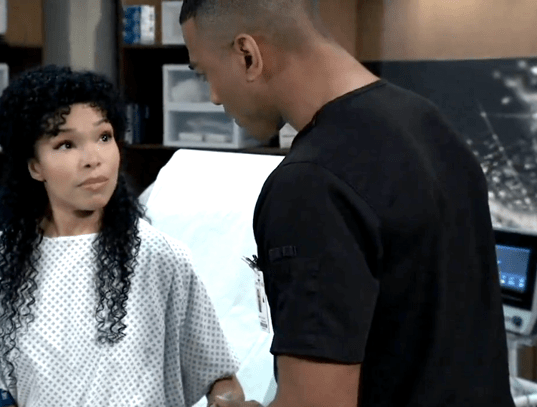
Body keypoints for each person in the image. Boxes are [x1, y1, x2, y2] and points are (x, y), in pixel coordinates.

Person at [179, 1, 516, 407]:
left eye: (205, 73)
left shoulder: (310, 185)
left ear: (247, 55)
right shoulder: (432, 126)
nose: (214, 97)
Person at [0, 65, 246, 406]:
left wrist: (228, 400)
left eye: (104, 137)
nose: (93, 159)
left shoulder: (160, 257)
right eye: (66, 144)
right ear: (34, 165)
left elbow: (219, 376)